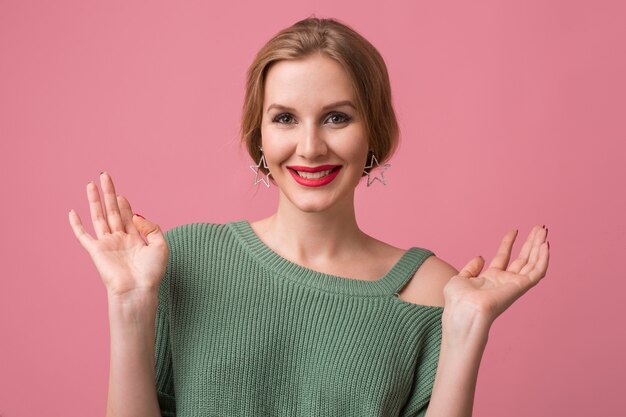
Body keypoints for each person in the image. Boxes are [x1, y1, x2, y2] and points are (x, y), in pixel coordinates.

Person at [68, 17, 549, 417]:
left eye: (337, 117)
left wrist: (465, 330)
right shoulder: (186, 259)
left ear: (373, 132)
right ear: (259, 138)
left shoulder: (434, 292)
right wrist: (130, 304)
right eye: (284, 118)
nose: (310, 147)